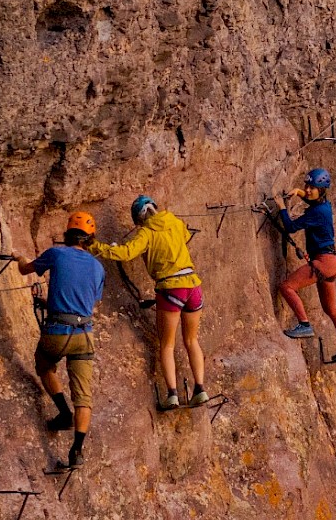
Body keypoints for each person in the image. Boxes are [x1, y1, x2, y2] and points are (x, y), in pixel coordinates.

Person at [91, 196, 213, 410]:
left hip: (171, 287)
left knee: (167, 344)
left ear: (138, 220)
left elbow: (126, 253)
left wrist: (96, 247)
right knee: (192, 340)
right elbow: (185, 235)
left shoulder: (145, 233)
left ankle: (172, 394)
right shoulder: (174, 221)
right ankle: (200, 389)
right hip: (193, 285)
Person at [17, 211, 104, 472]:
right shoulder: (98, 267)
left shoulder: (56, 254)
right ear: (90, 239)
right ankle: (77, 449)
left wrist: (18, 257)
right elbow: (85, 301)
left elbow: (25, 269)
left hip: (57, 333)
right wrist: (50, 303)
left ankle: (63, 413)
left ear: (67, 235)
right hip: (84, 335)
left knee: (44, 365)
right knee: (84, 397)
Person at [271, 168, 336, 363]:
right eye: (307, 186)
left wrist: (282, 207)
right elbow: (313, 202)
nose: (308, 190)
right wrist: (299, 193)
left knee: (286, 287)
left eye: (312, 187)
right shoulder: (324, 206)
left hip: (323, 262)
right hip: (331, 263)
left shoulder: (318, 212)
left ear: (322, 189)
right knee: (331, 309)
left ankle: (304, 324)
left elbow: (291, 227)